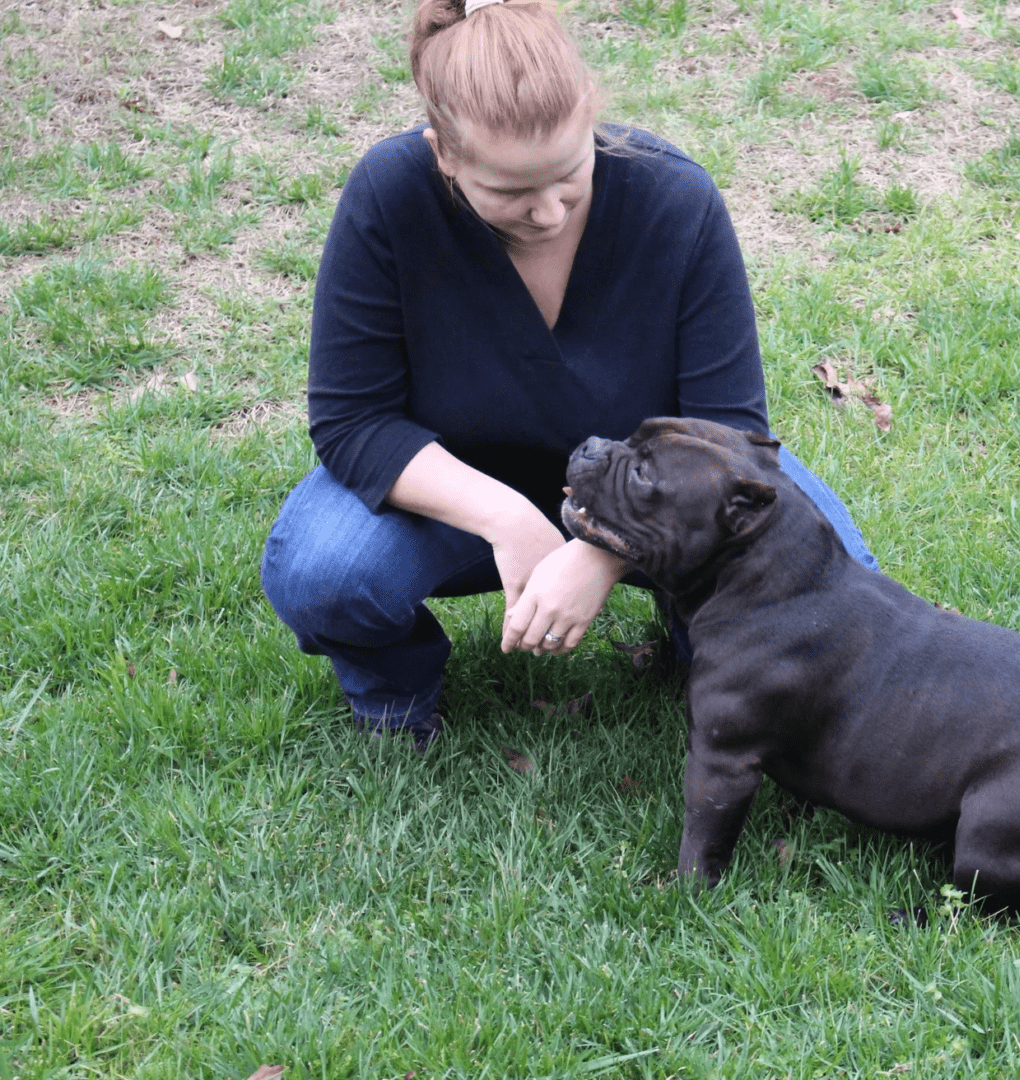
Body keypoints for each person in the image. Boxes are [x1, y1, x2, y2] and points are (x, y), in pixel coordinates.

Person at [259, 0, 878, 749]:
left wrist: (604, 547)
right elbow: (352, 421)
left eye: (569, 174)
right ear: (444, 153)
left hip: (658, 492)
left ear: (592, 121)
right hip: (456, 492)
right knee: (323, 570)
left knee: (842, 584)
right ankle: (397, 700)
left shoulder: (676, 199)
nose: (548, 211)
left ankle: (707, 650)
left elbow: (730, 433)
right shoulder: (390, 195)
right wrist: (508, 519)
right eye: (511, 193)